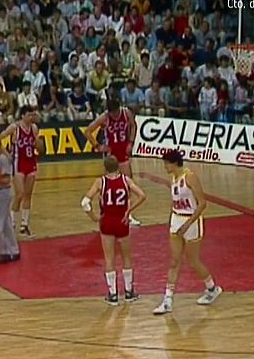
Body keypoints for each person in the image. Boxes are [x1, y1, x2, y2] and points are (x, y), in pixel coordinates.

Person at [152, 150, 223, 315]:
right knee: (174, 261)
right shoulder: (174, 178)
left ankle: (212, 288)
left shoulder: (190, 177)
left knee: (193, 261)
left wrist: (188, 223)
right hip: (177, 219)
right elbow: (175, 200)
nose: (164, 166)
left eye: (166, 163)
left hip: (191, 221)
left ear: (174, 163)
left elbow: (202, 203)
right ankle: (168, 299)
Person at [81, 156, 147, 305]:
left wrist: (94, 217)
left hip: (107, 222)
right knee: (127, 257)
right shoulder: (126, 180)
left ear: (104, 168)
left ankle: (113, 294)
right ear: (118, 167)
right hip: (122, 221)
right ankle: (129, 292)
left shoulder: (100, 182)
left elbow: (85, 202)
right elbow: (142, 195)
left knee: (109, 258)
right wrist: (129, 210)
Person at [84, 98, 141, 225]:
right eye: (112, 113)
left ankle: (128, 215)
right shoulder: (104, 117)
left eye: (115, 112)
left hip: (123, 151)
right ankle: (105, 213)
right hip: (111, 154)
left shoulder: (126, 113)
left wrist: (131, 142)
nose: (114, 115)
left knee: (127, 184)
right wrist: (98, 146)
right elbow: (88, 131)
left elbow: (133, 126)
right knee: (108, 186)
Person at [0, 105, 45, 238]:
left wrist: (39, 144)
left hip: (31, 162)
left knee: (28, 195)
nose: (31, 117)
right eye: (29, 115)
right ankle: (12, 224)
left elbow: (39, 148)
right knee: (19, 194)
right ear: (23, 115)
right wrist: (6, 154)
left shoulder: (34, 129)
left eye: (32, 115)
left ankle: (24, 225)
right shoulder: (15, 128)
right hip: (18, 163)